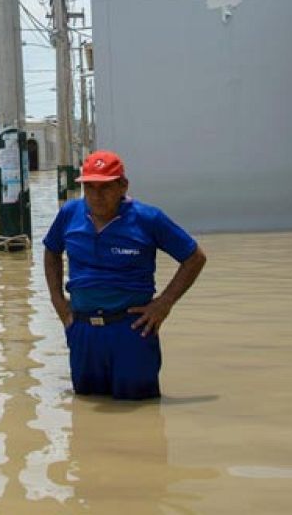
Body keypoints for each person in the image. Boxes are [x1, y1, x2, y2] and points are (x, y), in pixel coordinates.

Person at [44, 150, 207, 400]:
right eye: (90, 187)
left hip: (131, 331)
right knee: (86, 414)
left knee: (140, 415)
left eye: (105, 187)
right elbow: (52, 251)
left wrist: (164, 304)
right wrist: (58, 302)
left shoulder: (148, 218)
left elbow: (194, 258)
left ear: (123, 186)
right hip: (83, 330)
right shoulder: (69, 214)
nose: (97, 196)